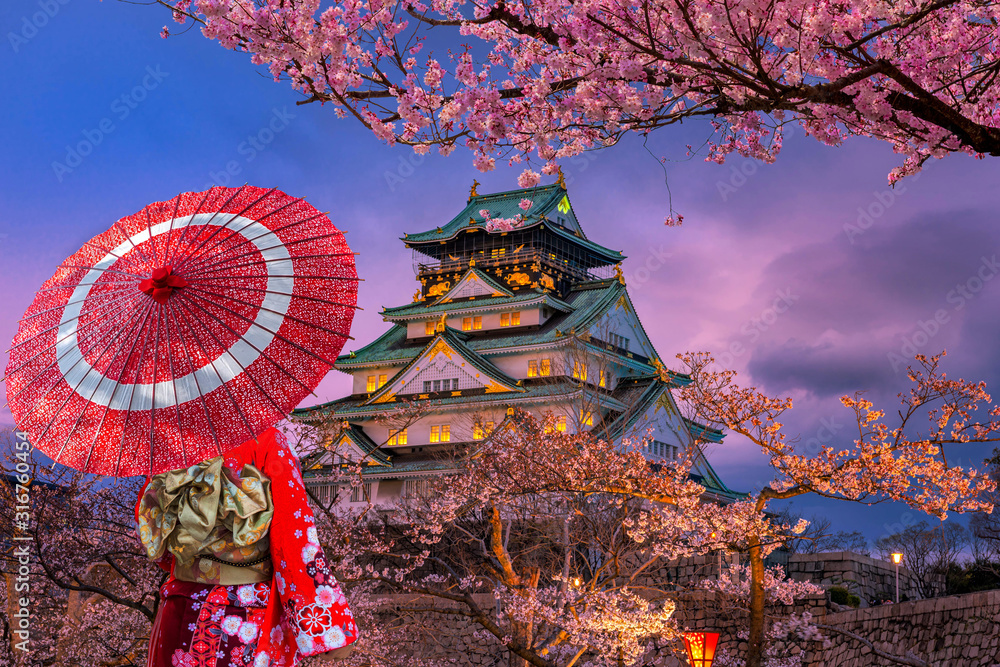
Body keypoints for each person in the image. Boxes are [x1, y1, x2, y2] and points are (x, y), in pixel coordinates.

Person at [136, 427, 358, 667]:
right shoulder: (264, 439)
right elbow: (292, 534)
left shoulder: (169, 446)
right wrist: (330, 628)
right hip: (241, 616)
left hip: (177, 606)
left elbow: (154, 538)